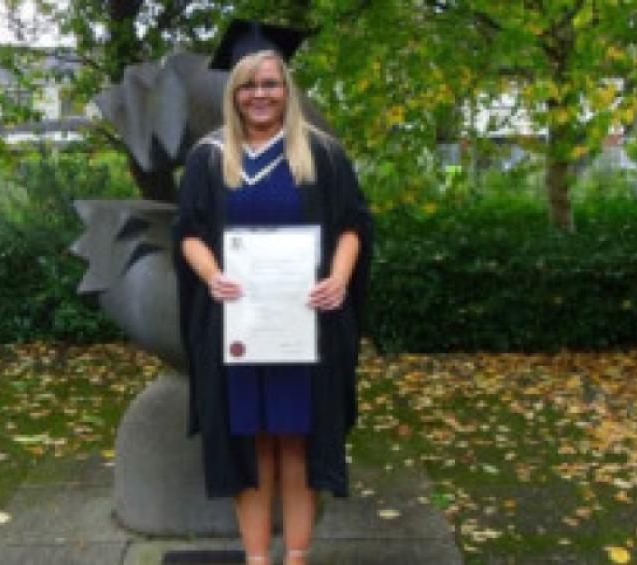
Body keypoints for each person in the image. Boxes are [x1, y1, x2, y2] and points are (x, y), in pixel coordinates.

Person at [173, 19, 372, 565]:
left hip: (306, 324)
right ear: (232, 93)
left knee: (299, 440)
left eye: (270, 84)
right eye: (248, 86)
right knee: (252, 442)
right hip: (238, 322)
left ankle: (297, 556)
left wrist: (339, 276)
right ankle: (258, 557)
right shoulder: (209, 158)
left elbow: (355, 224)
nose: (260, 96)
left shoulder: (322, 155)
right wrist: (212, 274)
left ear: (287, 89)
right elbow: (188, 231)